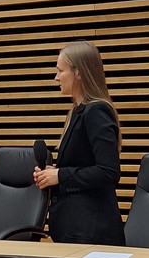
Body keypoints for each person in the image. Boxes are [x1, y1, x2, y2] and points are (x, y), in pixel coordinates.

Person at [33, 40, 125, 245]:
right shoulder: (78, 111)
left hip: (92, 232)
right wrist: (52, 173)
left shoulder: (96, 111)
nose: (56, 77)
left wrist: (60, 175)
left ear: (79, 73)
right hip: (75, 228)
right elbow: (82, 164)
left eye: (60, 71)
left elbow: (108, 172)